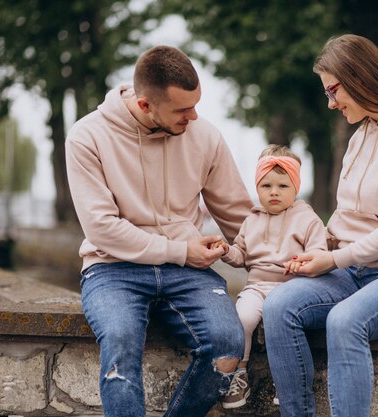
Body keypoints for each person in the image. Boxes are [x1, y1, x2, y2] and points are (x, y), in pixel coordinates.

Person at [262, 34, 378, 417]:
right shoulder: (361, 133)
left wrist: (335, 261)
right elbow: (347, 218)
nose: (331, 103)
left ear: (360, 77)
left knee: (346, 320)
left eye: (333, 91)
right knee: (278, 306)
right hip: (354, 269)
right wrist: (320, 247)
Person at [65, 45, 253, 417]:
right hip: (112, 267)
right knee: (120, 341)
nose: (194, 116)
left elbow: (239, 217)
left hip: (186, 271)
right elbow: (102, 229)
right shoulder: (86, 137)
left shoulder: (205, 136)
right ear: (146, 105)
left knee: (228, 344)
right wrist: (180, 250)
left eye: (196, 105)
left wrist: (284, 258)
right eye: (183, 110)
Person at [210, 145, 328, 409]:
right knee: (242, 319)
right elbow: (241, 255)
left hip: (292, 287)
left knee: (283, 325)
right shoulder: (251, 220)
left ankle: (286, 378)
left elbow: (319, 252)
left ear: (295, 187)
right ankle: (238, 375)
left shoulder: (308, 220)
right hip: (256, 286)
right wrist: (226, 251)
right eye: (266, 186)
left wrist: (303, 264)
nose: (274, 192)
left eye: (283, 186)